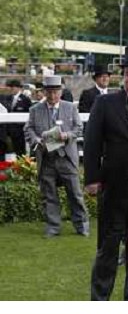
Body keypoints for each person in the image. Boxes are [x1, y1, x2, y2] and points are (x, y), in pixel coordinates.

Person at [84, 46, 128, 301]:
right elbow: (91, 141)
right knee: (108, 248)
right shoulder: (105, 103)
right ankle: (100, 299)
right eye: (126, 73)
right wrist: (92, 179)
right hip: (113, 187)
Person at [24, 75, 89, 238]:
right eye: (49, 92)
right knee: (49, 195)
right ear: (44, 92)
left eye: (56, 92)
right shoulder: (35, 110)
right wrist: (37, 140)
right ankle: (53, 227)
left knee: (75, 194)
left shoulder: (70, 108)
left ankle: (81, 226)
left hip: (66, 157)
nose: (53, 96)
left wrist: (67, 135)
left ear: (61, 91)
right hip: (46, 159)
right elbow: (28, 129)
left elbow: (79, 129)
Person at [4, 79, 32, 155]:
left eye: (13, 87)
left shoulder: (25, 99)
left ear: (19, 88)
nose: (11, 89)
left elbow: (29, 115)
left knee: (20, 152)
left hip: (20, 131)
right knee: (9, 152)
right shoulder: (7, 98)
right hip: (9, 131)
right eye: (11, 87)